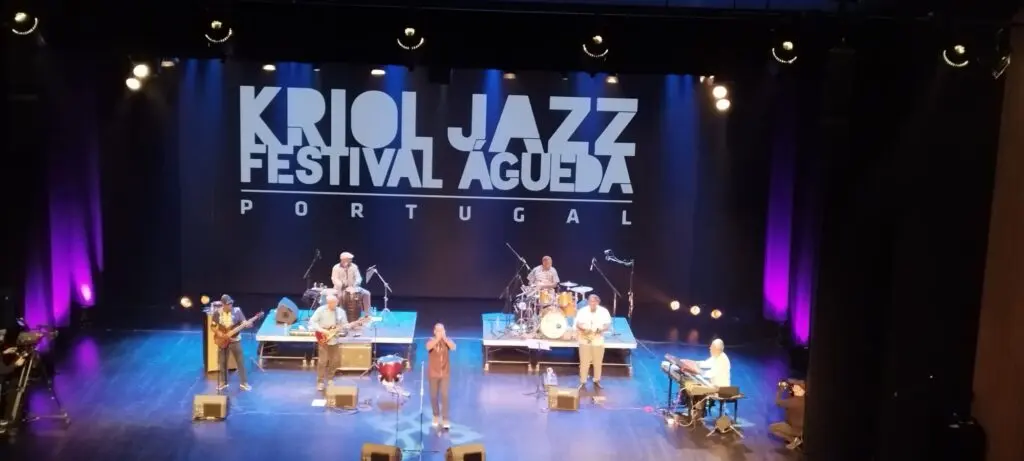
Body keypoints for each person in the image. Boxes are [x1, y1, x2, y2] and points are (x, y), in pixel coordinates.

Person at [212, 295, 251, 391]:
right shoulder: (217, 313)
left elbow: (244, 322)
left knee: (240, 361)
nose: (230, 305)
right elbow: (213, 326)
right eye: (228, 304)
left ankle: (244, 383)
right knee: (222, 362)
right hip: (223, 341)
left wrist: (247, 324)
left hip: (235, 340)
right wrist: (220, 334)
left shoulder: (237, 311)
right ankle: (223, 382)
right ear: (223, 304)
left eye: (231, 303)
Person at [309, 294, 348, 391]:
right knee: (322, 361)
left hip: (334, 339)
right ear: (327, 303)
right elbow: (312, 321)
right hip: (323, 338)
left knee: (335, 360)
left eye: (335, 303)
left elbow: (345, 324)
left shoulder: (340, 312)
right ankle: (320, 382)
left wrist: (348, 326)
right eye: (331, 303)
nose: (333, 304)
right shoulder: (321, 310)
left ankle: (330, 378)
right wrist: (322, 330)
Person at [574, 294, 611, 390]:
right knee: (584, 362)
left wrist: (601, 329)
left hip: (597, 339)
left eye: (594, 301)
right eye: (590, 301)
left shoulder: (603, 311)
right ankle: (583, 381)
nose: (592, 303)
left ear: (598, 302)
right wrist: (583, 329)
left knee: (597, 362)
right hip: (584, 339)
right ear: (588, 302)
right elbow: (577, 323)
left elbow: (607, 325)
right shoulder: (582, 311)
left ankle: (597, 380)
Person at [425, 323, 456, 429]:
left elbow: (453, 347)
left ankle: (445, 418)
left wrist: (445, 339)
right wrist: (438, 339)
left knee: (444, 395)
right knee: (433, 396)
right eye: (438, 330)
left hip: (444, 374)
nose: (441, 332)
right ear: (434, 332)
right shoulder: (431, 340)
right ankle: (435, 415)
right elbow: (428, 347)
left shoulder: (447, 341)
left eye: (442, 330)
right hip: (433, 374)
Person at [330, 252, 372, 318]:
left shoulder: (354, 266)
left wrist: (354, 285)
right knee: (340, 296)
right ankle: (341, 316)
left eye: (351, 259)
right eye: (349, 259)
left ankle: (367, 315)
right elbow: (334, 278)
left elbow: (359, 277)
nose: (351, 260)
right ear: (343, 260)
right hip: (340, 288)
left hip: (353, 287)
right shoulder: (336, 267)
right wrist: (341, 285)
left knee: (367, 293)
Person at [769, 380, 806, 449]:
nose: (793, 387)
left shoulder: (795, 401)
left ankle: (794, 440)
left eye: (796, 386)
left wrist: (780, 390)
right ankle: (796, 438)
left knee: (772, 428)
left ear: (802, 390)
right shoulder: (802, 398)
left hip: (794, 428)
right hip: (799, 427)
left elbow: (778, 402)